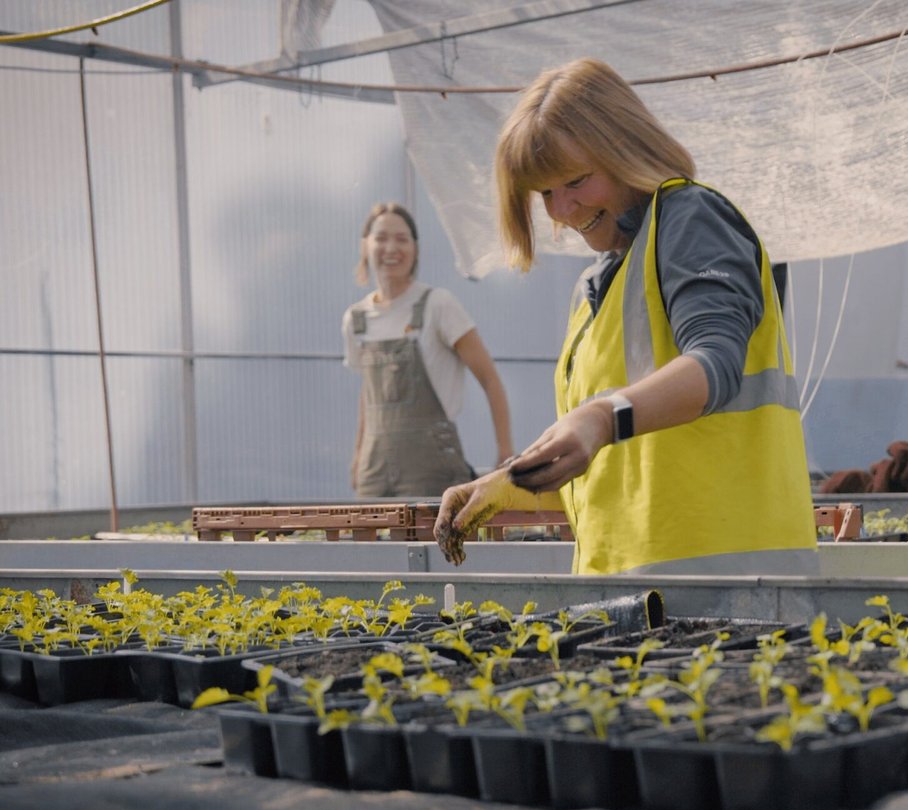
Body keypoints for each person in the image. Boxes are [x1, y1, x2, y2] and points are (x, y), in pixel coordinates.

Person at [434, 58, 819, 576]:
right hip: (636, 597)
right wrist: (514, 481)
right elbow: (622, 463)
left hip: (730, 594)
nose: (561, 210)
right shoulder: (599, 285)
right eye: (545, 192)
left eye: (575, 181)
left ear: (626, 150)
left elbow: (715, 363)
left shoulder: (691, 220)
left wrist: (598, 417)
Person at [343, 202, 514, 497]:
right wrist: (359, 455)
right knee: (378, 542)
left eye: (401, 238)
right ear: (365, 246)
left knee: (433, 541)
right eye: (381, 238)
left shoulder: (439, 305)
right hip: (375, 473)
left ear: (416, 249)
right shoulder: (355, 319)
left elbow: (489, 379)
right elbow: (368, 397)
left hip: (432, 470)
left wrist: (505, 451)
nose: (391, 248)